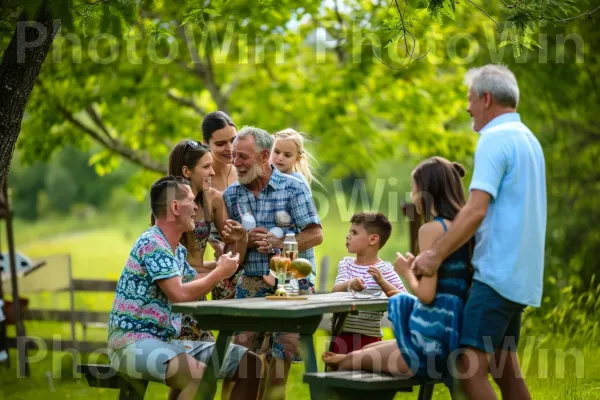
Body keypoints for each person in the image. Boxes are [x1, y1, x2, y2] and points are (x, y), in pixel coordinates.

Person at [411, 65, 547, 400]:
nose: (468, 107)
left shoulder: (494, 139)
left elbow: (475, 209)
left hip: (497, 275)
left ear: (486, 98)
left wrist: (434, 254)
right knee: (504, 368)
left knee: (467, 371)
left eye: (470, 99)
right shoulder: (528, 139)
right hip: (522, 276)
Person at [108, 176, 261, 400]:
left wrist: (234, 252)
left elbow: (196, 287)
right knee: (199, 379)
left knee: (249, 365)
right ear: (175, 207)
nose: (197, 207)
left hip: (168, 342)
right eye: (191, 201)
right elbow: (179, 294)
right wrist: (220, 271)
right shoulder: (152, 244)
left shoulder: (177, 251)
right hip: (132, 342)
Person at [322, 158, 472, 383]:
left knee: (350, 361)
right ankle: (347, 358)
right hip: (457, 325)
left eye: (414, 189)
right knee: (369, 351)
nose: (412, 196)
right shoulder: (466, 228)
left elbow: (426, 295)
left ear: (427, 192)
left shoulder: (431, 229)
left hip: (433, 331)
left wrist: (406, 270)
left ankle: (344, 364)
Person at [223, 126, 323, 400]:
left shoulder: (293, 187)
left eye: (243, 157)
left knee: (278, 369)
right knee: (244, 366)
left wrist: (279, 243)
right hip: (249, 286)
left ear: (264, 156)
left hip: (289, 287)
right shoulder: (232, 194)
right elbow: (229, 251)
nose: (236, 163)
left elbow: (315, 234)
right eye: (234, 156)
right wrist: (244, 239)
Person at [166, 139, 247, 346]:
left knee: (207, 364)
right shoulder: (170, 204)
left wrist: (241, 238)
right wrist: (215, 270)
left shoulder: (213, 199)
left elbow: (233, 256)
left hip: (199, 290)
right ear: (186, 171)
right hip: (175, 292)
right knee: (197, 365)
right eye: (206, 167)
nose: (213, 172)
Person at [330, 212, 406, 354]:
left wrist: (382, 282)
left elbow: (404, 298)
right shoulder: (346, 264)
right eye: (349, 231)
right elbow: (335, 290)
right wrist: (349, 284)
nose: (348, 236)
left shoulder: (383, 270)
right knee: (336, 372)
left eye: (354, 232)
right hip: (340, 336)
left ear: (373, 239)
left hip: (369, 341)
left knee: (365, 374)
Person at [201, 111, 243, 300]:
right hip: (223, 262)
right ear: (205, 143)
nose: (229, 149)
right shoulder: (200, 179)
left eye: (233, 141)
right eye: (220, 144)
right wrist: (212, 240)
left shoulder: (245, 171)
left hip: (255, 261)